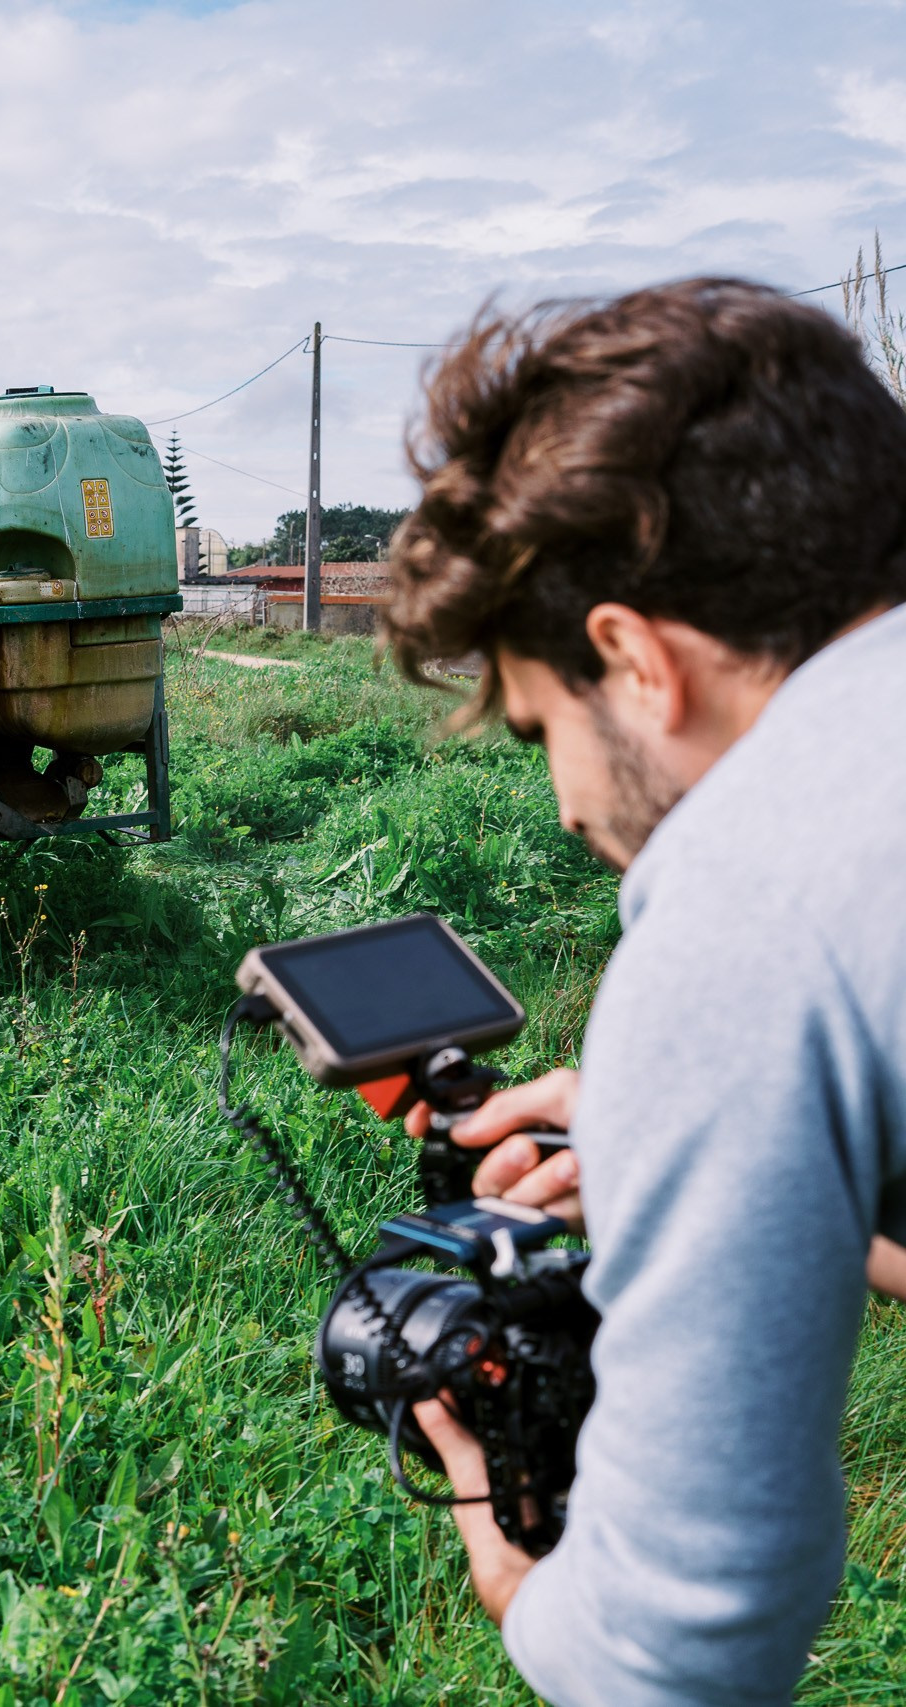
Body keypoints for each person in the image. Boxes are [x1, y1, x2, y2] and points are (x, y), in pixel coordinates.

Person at [379, 277, 906, 1706]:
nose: (559, 801)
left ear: (632, 658)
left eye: (543, 722)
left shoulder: (748, 897)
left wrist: (511, 1559)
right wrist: (773, 1170)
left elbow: (679, 1655)